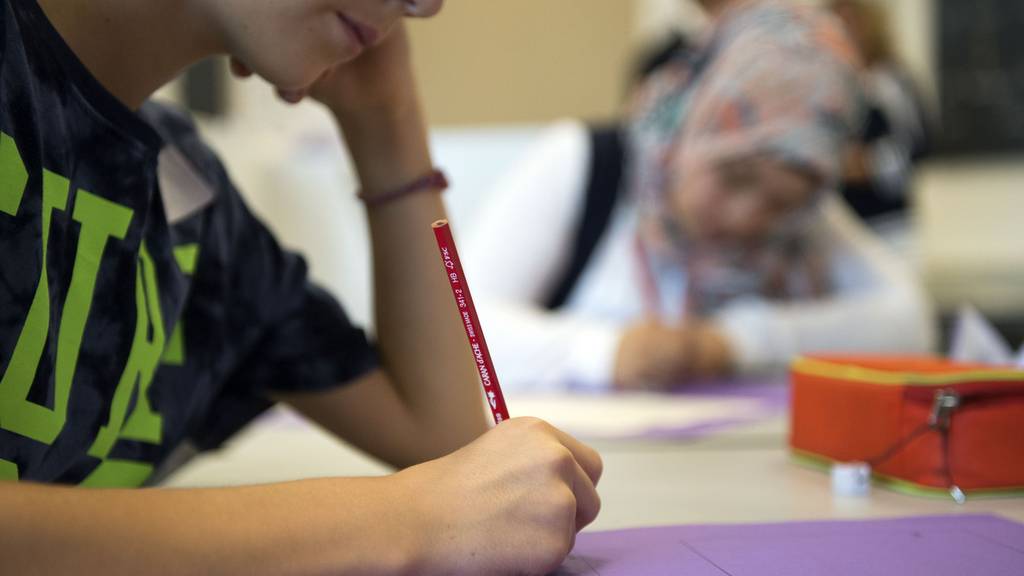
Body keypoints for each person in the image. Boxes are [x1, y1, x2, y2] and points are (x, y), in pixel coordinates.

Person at [0, 0, 601, 574]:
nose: (427, 8)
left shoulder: (193, 207)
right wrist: (403, 521)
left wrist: (387, 125)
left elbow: (442, 437)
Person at [464, 0, 935, 392]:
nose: (747, 217)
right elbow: (454, 325)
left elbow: (909, 322)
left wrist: (734, 342)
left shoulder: (803, 211)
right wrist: (607, 353)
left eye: (780, 203)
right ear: (691, 123)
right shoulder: (586, 165)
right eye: (733, 177)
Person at [830, 0, 932, 222]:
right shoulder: (826, 83)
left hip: (888, 220)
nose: (844, 32)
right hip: (841, 222)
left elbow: (916, 148)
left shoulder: (890, 81)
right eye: (836, 24)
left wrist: (868, 164)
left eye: (851, 23)